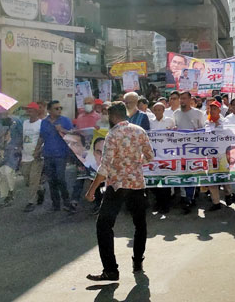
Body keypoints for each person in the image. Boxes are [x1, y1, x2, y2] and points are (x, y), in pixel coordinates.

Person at [85, 102, 154, 281]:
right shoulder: (139, 131)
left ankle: (111, 270)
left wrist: (91, 190)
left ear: (112, 116)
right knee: (140, 225)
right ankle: (138, 262)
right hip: (137, 184)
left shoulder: (113, 134)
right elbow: (150, 156)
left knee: (104, 226)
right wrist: (135, 163)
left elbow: (104, 167)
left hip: (117, 186)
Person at [36, 100, 74, 212]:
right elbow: (42, 137)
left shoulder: (65, 121)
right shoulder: (44, 122)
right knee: (51, 180)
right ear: (49, 110)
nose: (59, 110)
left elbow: (73, 136)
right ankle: (55, 204)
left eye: (60, 108)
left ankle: (66, 202)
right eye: (56, 108)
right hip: (48, 154)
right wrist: (37, 150)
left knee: (61, 178)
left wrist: (62, 130)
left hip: (60, 154)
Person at [173, 91, 207, 213]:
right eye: (180, 99)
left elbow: (203, 129)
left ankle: (190, 198)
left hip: (194, 149)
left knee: (192, 174)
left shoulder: (198, 113)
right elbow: (174, 128)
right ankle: (184, 197)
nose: (182, 101)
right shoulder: (176, 113)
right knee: (183, 173)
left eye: (184, 98)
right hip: (180, 150)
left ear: (190, 99)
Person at [21, 102, 45, 212]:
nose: (28, 112)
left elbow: (42, 138)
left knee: (33, 180)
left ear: (36, 111)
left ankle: (31, 202)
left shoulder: (41, 124)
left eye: (30, 110)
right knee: (26, 178)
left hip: (36, 156)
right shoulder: (25, 123)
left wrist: (39, 151)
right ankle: (40, 189)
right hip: (25, 156)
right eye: (27, 110)